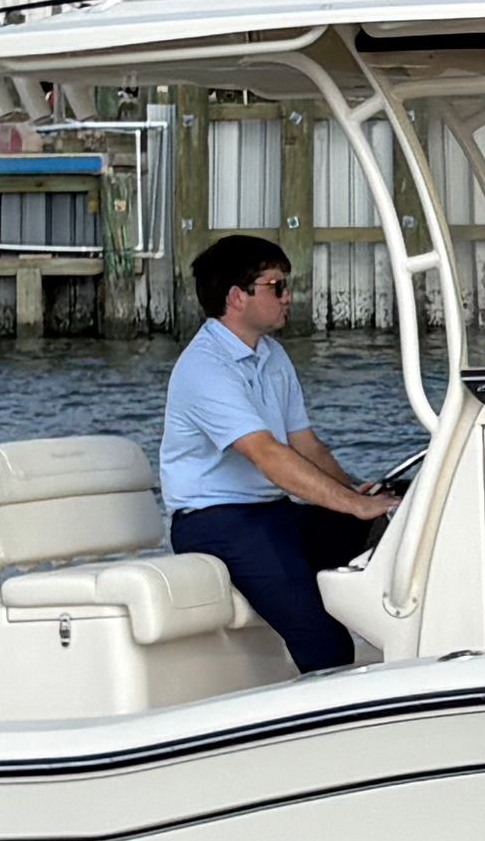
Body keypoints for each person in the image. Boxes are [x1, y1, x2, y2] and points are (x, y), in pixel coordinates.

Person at [158, 232, 391, 673]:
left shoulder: (272, 355)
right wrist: (353, 504)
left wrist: (361, 495)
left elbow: (306, 445)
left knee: (395, 527)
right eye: (276, 286)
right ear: (236, 297)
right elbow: (267, 454)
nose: (288, 297)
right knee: (325, 642)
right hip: (216, 523)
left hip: (273, 513)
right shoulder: (204, 367)